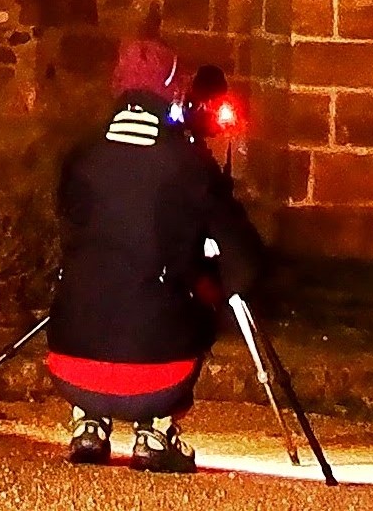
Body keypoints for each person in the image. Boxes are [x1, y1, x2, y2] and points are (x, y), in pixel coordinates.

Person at [46, 36, 266, 473]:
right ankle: (155, 429)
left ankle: (87, 423)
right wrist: (214, 283)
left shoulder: (80, 156)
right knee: (190, 297)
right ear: (173, 90)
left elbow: (71, 229)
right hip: (157, 379)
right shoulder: (187, 164)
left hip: (68, 366)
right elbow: (244, 263)